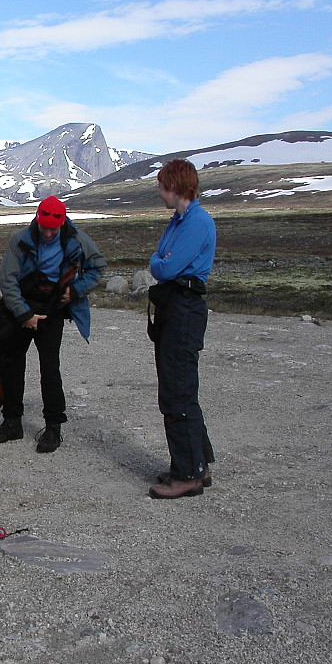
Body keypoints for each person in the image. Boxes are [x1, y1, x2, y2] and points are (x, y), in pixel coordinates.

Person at [0, 195, 106, 452]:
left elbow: (98, 268)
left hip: (53, 310)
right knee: (12, 365)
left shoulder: (77, 239)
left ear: (63, 222)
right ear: (37, 220)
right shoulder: (20, 239)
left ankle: (53, 428)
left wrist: (75, 291)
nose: (49, 233)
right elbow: (7, 280)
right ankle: (12, 423)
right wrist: (23, 314)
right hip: (21, 308)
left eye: (54, 229)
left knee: (50, 369)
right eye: (45, 228)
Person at [146, 159, 217, 499]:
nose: (160, 193)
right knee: (179, 387)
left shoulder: (198, 222)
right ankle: (194, 463)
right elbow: (162, 259)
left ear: (174, 187)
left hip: (185, 307)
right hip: (175, 306)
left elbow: (164, 264)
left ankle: (187, 473)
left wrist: (162, 263)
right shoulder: (180, 220)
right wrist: (162, 262)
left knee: (177, 390)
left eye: (162, 186)